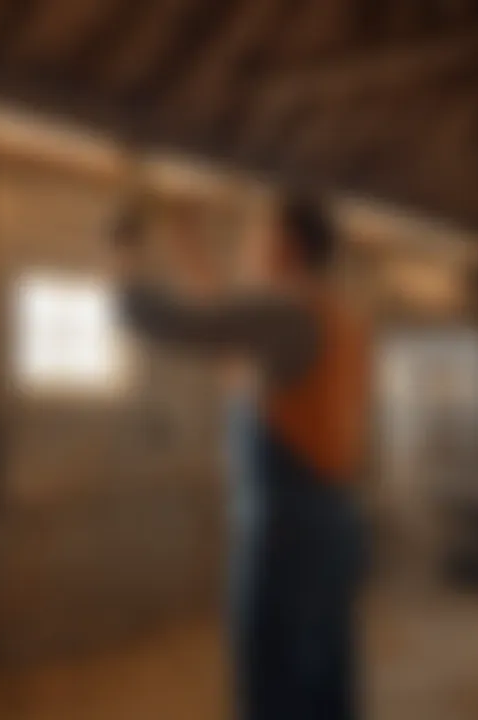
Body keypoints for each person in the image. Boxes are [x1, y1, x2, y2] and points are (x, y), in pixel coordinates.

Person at [110, 195, 369, 720]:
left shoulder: (286, 309)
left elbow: (176, 323)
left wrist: (123, 249)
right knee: (321, 679)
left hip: (286, 530)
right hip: (329, 522)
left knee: (273, 680)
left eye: (259, 232)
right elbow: (230, 339)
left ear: (287, 244)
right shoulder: (333, 316)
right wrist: (190, 248)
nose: (251, 244)